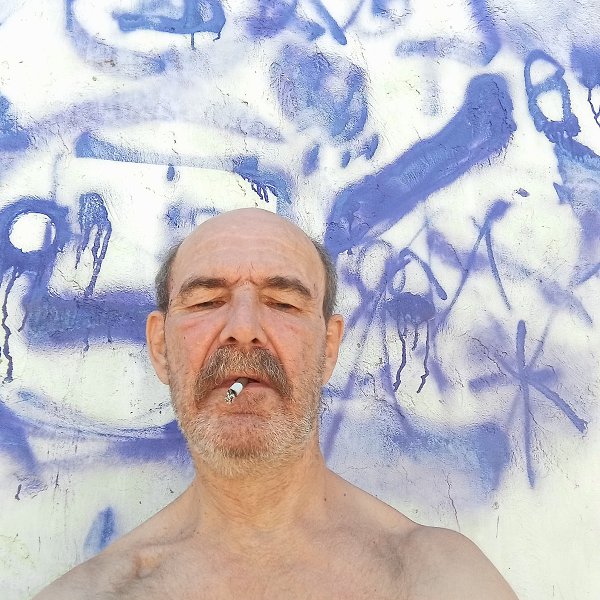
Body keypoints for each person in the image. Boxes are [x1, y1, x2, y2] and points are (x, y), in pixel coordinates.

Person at [34, 208, 518, 599]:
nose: (243, 328)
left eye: (284, 303)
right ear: (161, 347)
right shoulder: (94, 593)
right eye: (206, 301)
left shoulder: (438, 579)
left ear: (329, 348)